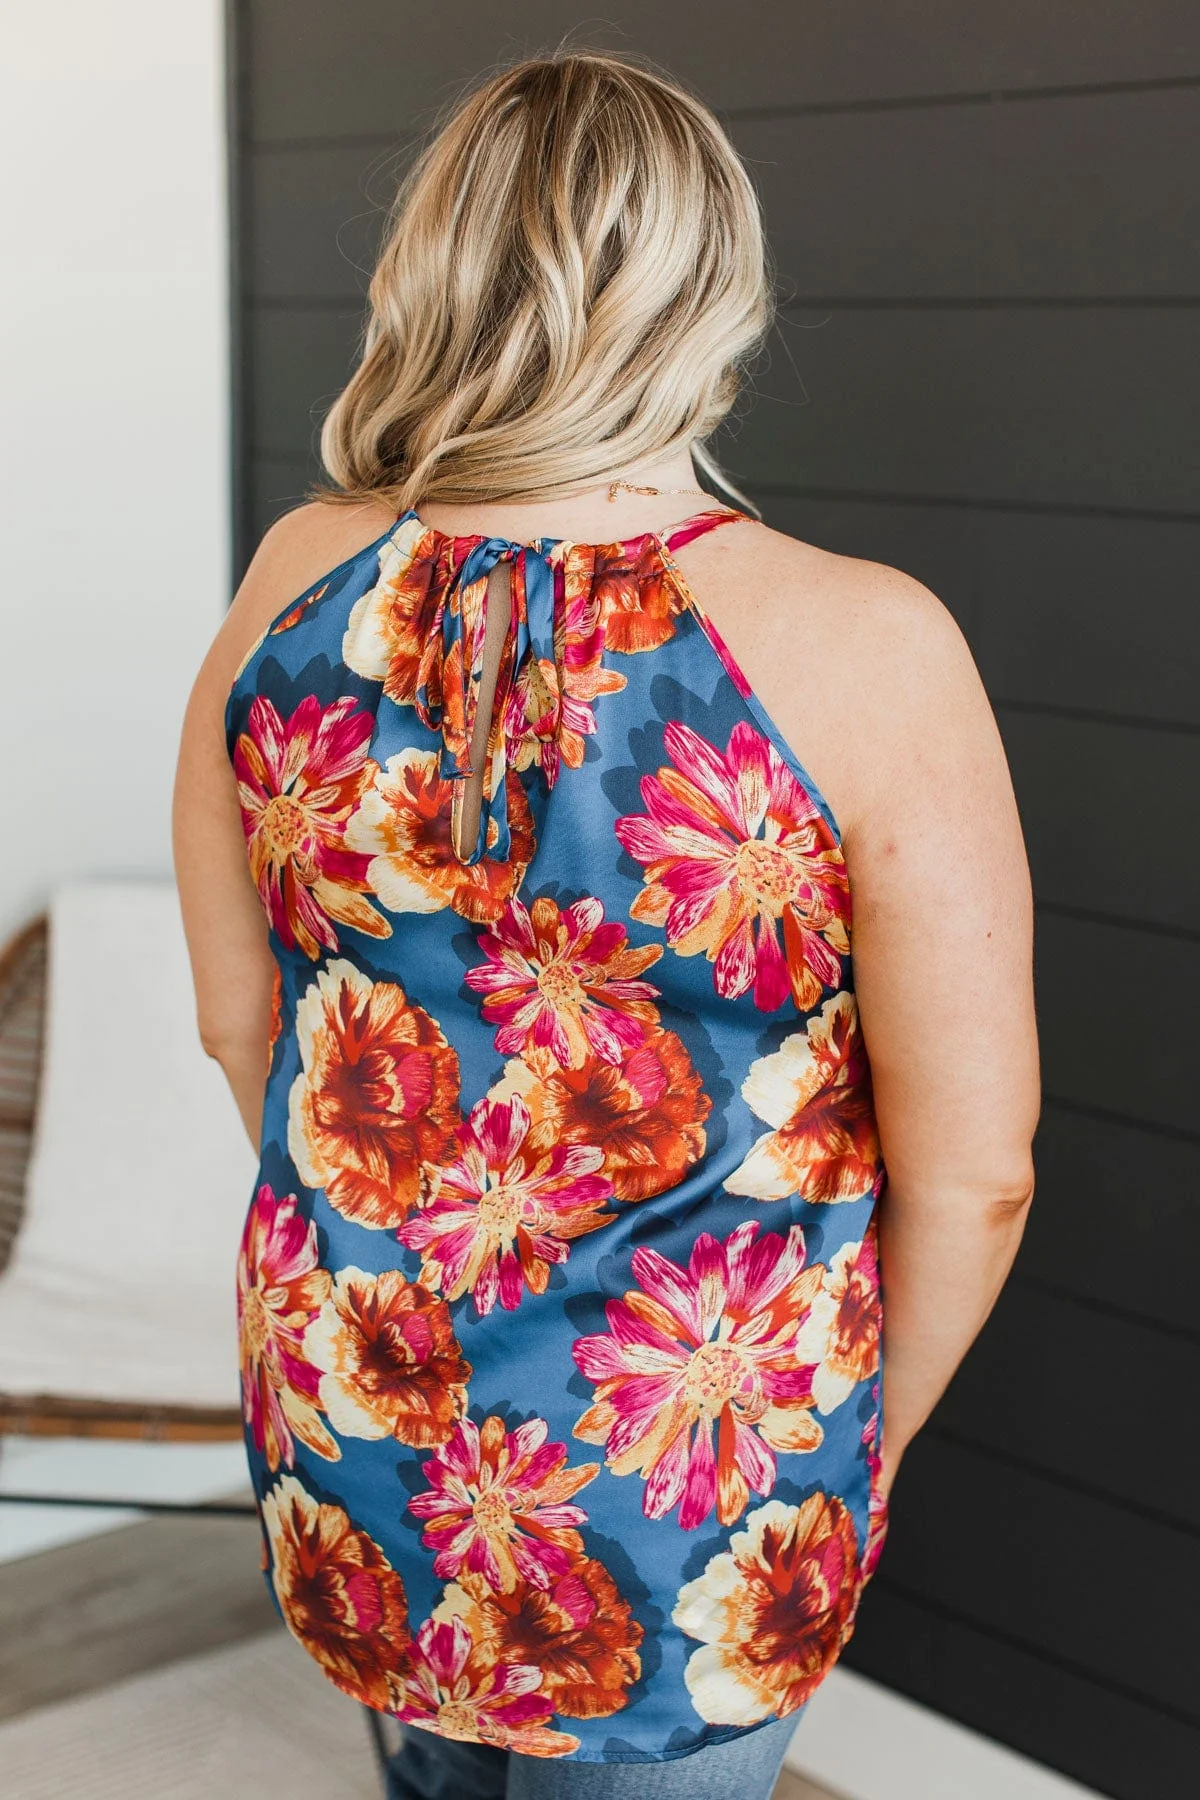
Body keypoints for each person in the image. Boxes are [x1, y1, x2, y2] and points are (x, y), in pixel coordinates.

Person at [173, 47, 1039, 1800]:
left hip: (363, 1407)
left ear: (426, 269)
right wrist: (848, 1447)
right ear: (714, 290)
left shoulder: (293, 578)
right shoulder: (869, 643)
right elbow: (978, 1175)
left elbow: (239, 1021)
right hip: (699, 1481)